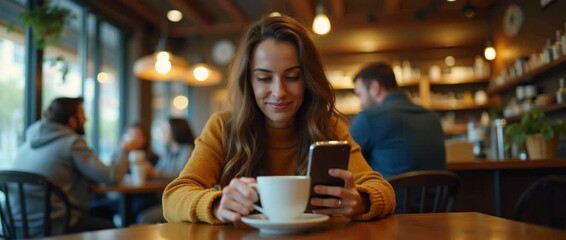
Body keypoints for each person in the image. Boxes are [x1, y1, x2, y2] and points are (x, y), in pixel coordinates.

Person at [162, 15, 395, 224]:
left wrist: (361, 201)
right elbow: (174, 197)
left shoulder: (329, 127)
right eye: (264, 78)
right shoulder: (223, 127)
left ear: (307, 80)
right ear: (249, 83)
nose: (279, 91)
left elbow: (382, 189)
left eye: (292, 77)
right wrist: (217, 204)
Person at [10, 97, 129, 237]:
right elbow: (111, 176)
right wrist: (125, 149)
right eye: (83, 113)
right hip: (55, 226)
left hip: (17, 228)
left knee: (105, 210)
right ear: (72, 120)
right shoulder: (72, 143)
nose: (86, 119)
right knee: (115, 231)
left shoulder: (27, 144)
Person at [350, 62, 446, 179]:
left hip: (390, 196)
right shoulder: (432, 117)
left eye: (360, 95)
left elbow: (344, 162)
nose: (361, 103)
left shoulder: (368, 119)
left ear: (375, 87)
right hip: (436, 196)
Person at [136, 118, 195, 224]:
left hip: (179, 200)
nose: (162, 132)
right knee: (137, 207)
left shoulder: (187, 150)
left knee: (144, 217)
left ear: (175, 131)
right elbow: (157, 172)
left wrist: (155, 173)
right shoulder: (168, 151)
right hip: (164, 197)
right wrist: (148, 170)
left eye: (165, 129)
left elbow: (181, 176)